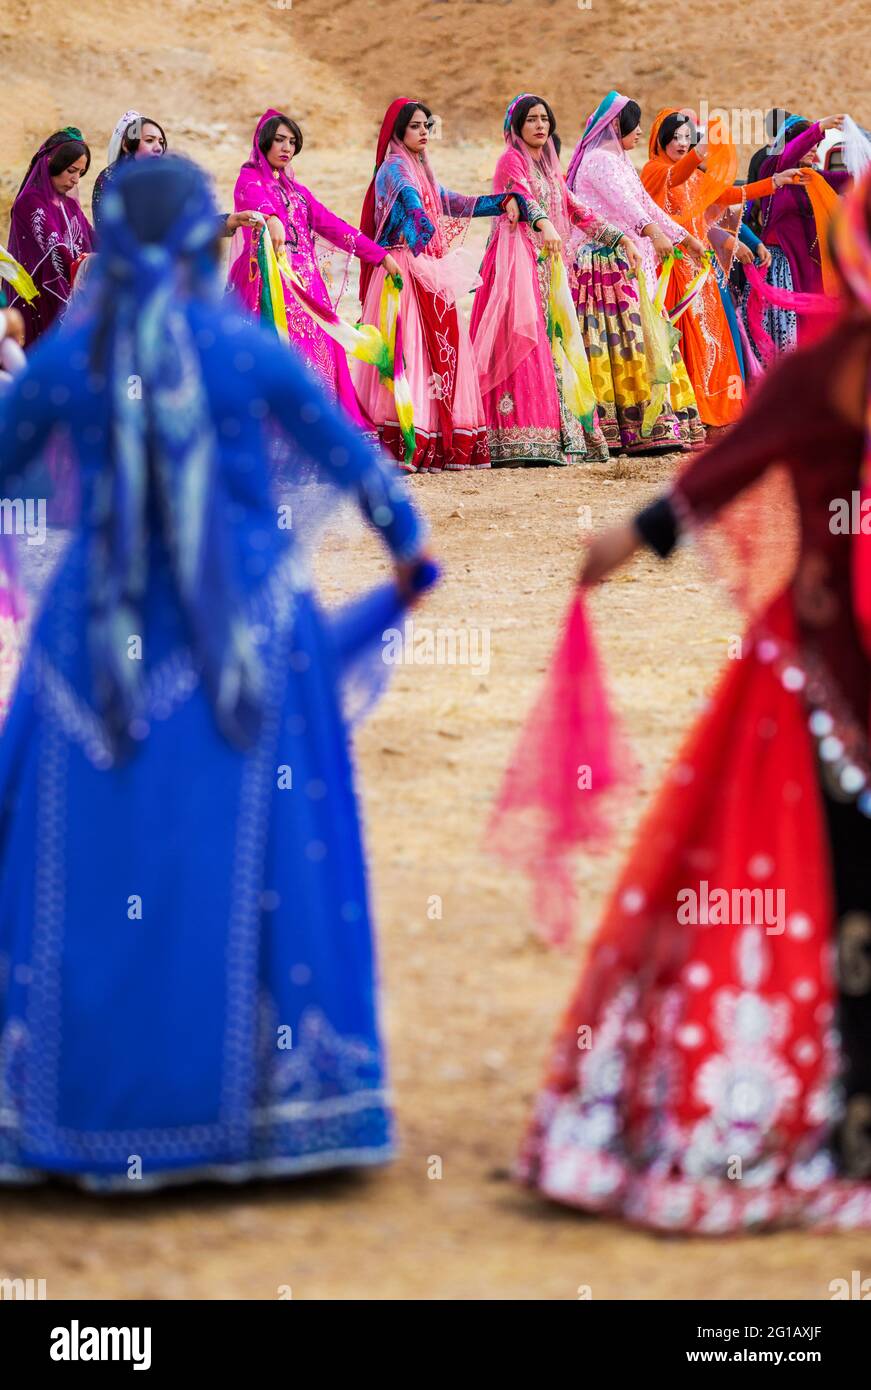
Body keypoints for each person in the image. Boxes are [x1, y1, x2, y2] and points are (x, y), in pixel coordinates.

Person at [0, 156, 436, 1192]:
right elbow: (358, 465)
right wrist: (411, 555)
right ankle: (278, 1104)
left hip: (90, 652)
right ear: (208, 243)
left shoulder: (71, 362)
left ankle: (68, 1101)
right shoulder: (248, 350)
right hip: (243, 644)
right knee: (253, 862)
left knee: (85, 860)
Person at [518, 166, 871, 1233]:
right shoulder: (824, 372)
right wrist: (622, 544)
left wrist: (625, 542)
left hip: (823, 670)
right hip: (826, 678)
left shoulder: (827, 367)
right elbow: (717, 474)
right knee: (845, 891)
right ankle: (843, 1114)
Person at [354, 98, 522, 472]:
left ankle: (435, 438)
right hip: (402, 271)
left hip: (425, 266)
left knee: (436, 352)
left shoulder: (421, 168)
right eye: (415, 126)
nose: (423, 133)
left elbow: (450, 201)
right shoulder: (394, 168)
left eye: (426, 126)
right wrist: (422, 226)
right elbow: (412, 203)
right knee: (410, 351)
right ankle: (405, 441)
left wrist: (502, 202)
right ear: (399, 130)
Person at [470, 93, 639, 466]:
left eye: (544, 118)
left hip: (549, 264)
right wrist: (544, 225)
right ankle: (515, 438)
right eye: (531, 119)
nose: (540, 125)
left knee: (554, 344)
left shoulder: (549, 166)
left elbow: (574, 208)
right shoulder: (510, 160)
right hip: (516, 264)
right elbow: (522, 199)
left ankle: (556, 435)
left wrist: (619, 237)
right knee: (521, 342)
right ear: (517, 126)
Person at [227, 109, 399, 432]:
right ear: (264, 142)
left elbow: (335, 227)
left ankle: (319, 434)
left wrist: (378, 256)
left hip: (307, 290)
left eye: (291, 142)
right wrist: (271, 218)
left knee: (322, 358)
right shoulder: (249, 177)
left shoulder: (298, 193)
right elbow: (254, 202)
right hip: (269, 286)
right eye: (279, 140)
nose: (286, 148)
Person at [565, 92, 705, 453]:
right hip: (605, 265)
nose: (640, 131)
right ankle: (626, 428)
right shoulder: (599, 161)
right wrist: (654, 234)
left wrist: (684, 238)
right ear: (616, 125)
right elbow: (625, 208)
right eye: (634, 124)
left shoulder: (620, 161)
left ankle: (654, 424)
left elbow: (645, 205)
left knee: (645, 337)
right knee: (621, 341)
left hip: (629, 263)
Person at [641, 110, 797, 429]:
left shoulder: (696, 177)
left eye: (688, 137)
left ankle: (718, 415)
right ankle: (689, 415)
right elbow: (677, 177)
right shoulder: (655, 171)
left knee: (713, 343)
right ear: (661, 140)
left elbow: (728, 195)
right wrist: (702, 150)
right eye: (676, 137)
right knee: (682, 341)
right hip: (671, 271)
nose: (682, 144)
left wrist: (775, 182)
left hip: (702, 271)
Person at [751, 113, 850, 345]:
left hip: (808, 263)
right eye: (809, 145)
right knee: (786, 334)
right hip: (780, 264)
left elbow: (846, 180)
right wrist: (820, 127)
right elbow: (789, 153)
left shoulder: (810, 177)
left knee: (814, 327)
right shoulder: (772, 169)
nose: (813, 150)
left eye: (816, 146)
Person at [6, 129, 93, 345]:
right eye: (71, 170)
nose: (75, 180)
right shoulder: (29, 201)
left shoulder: (70, 205)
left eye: (80, 173)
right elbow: (54, 245)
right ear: (51, 163)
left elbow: (91, 238)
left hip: (67, 292)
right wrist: (81, 269)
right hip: (38, 297)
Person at [91, 110, 167, 220]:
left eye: (161, 142)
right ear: (126, 145)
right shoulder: (110, 180)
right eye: (149, 140)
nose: (158, 148)